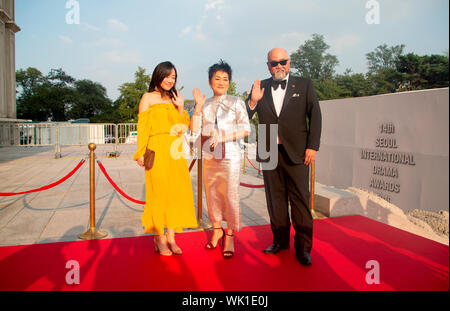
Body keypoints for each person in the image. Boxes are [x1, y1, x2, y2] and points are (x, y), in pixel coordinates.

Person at [246, 48, 322, 266]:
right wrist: (253, 101)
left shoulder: (304, 84)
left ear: (289, 62)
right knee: (275, 201)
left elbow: (315, 115)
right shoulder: (260, 86)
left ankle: (303, 248)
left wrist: (312, 146)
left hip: (297, 150)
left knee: (300, 200)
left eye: (282, 61)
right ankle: (279, 241)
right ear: (267, 65)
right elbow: (246, 114)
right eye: (273, 63)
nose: (278, 66)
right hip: (268, 147)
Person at [133, 61, 198, 256]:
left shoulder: (175, 99)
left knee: (175, 194)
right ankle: (159, 237)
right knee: (159, 194)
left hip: (175, 150)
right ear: (158, 75)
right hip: (156, 148)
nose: (170, 80)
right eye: (167, 76)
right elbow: (142, 127)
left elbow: (183, 128)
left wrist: (179, 108)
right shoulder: (147, 98)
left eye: (174, 77)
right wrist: (140, 152)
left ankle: (172, 236)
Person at [190, 60, 251, 259]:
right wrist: (198, 107)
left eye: (225, 79)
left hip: (231, 155)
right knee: (213, 193)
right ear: (210, 81)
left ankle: (230, 234)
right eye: (217, 78)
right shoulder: (205, 104)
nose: (221, 82)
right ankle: (217, 229)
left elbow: (246, 129)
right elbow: (195, 130)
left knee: (230, 194)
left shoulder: (236, 102)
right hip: (210, 156)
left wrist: (223, 136)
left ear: (229, 82)